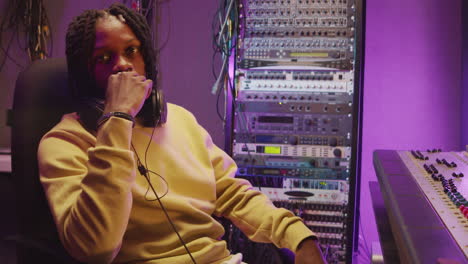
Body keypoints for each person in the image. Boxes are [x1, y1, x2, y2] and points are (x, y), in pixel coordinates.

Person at [37, 3, 326, 264]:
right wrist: (118, 119)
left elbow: (233, 193)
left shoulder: (180, 119)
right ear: (84, 72)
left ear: (146, 58)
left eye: (131, 51)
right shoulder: (63, 142)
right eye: (104, 57)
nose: (122, 64)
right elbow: (95, 248)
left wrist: (298, 236)